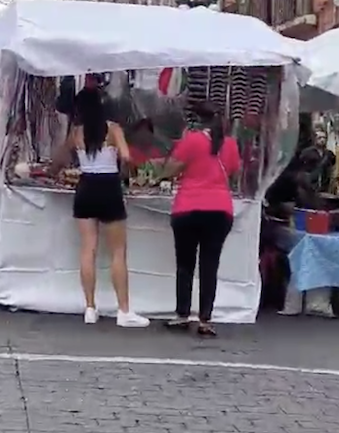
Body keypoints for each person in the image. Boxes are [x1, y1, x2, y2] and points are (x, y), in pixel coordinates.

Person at [49, 87, 149, 328]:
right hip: (109, 187)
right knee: (117, 251)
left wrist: (55, 173)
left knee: (88, 249)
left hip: (85, 188)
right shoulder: (113, 129)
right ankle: (123, 311)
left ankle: (90, 308)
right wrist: (126, 174)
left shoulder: (76, 133)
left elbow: (58, 160)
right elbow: (126, 157)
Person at [156, 102, 240, 338]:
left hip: (189, 207)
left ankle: (182, 315)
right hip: (220, 209)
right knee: (210, 265)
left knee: (185, 264)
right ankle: (205, 320)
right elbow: (233, 173)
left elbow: (169, 169)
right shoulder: (231, 145)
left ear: (197, 120)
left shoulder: (191, 140)